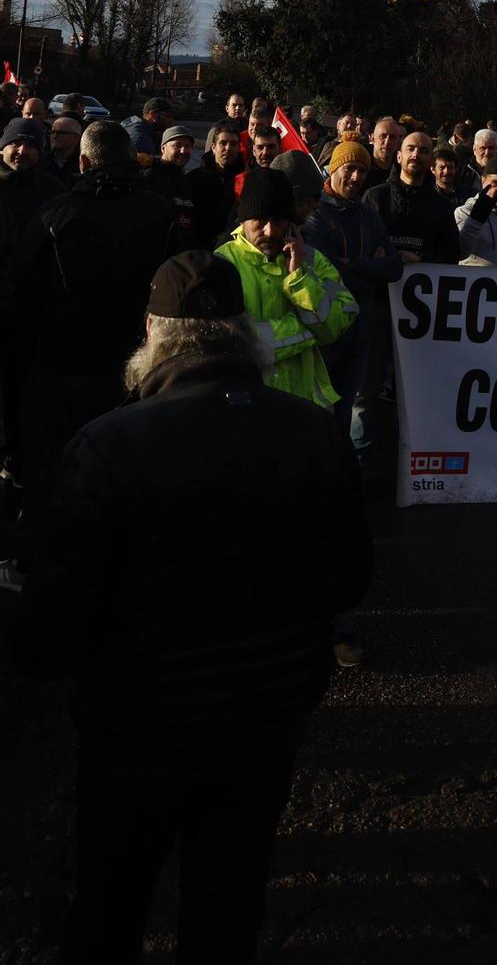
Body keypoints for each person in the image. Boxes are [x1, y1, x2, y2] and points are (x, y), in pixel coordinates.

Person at [14, 249, 372, 963]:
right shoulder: (313, 432)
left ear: (153, 331)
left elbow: (54, 624)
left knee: (111, 905)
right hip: (265, 721)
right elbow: (349, 578)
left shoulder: (108, 444)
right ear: (242, 331)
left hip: (139, 728)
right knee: (228, 904)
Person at [3, 121, 176, 594]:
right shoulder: (159, 212)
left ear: (82, 162)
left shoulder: (55, 215)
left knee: (51, 478)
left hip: (58, 368)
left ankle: (45, 580)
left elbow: (20, 287)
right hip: (132, 368)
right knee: (122, 473)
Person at [217, 172, 358, 408]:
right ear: (243, 219)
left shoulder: (312, 260)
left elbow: (338, 323)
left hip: (303, 406)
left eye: (279, 221)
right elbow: (237, 344)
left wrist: (299, 277)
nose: (271, 231)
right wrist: (308, 329)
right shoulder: (221, 265)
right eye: (260, 221)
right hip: (247, 406)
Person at [304, 142, 404, 466]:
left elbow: (393, 267)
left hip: (365, 324)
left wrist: (354, 264)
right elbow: (326, 269)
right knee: (323, 403)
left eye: (362, 170)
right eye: (350, 168)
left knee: (361, 401)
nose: (356, 177)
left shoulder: (367, 214)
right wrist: (367, 266)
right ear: (334, 169)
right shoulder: (315, 213)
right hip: (328, 326)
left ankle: (354, 473)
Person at [364, 128, 461, 264]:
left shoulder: (441, 206)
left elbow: (451, 255)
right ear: (399, 156)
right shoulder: (375, 196)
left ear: (431, 161)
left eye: (423, 151)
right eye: (410, 149)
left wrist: (421, 259)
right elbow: (359, 245)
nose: (415, 155)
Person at [0, 117, 65, 229]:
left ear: (39, 153)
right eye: (16, 143)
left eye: (30, 145)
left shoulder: (54, 190)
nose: (22, 151)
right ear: (2, 149)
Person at [142, 124, 199, 248]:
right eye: (177, 145)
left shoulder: (187, 181)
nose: (183, 150)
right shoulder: (148, 177)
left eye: (187, 146)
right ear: (163, 148)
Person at [191, 120, 242, 248]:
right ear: (213, 147)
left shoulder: (245, 180)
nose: (228, 148)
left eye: (233, 144)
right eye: (223, 143)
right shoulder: (194, 179)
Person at [233, 125, 282, 197]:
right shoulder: (240, 182)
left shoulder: (288, 181)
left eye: (271, 147)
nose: (265, 152)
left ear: (280, 149)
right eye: (260, 147)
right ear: (254, 150)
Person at [124, 96, 174, 163]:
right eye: (168, 116)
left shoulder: (137, 125)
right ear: (153, 115)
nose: (171, 120)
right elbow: (146, 167)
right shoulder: (140, 137)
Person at [364, 116, 404, 192]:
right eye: (383, 136)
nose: (387, 142)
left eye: (392, 137)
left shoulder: (402, 171)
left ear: (399, 142)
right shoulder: (359, 166)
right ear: (372, 139)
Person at [45, 116, 82, 182]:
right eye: (52, 132)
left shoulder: (83, 163)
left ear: (76, 138)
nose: (55, 136)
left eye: (61, 133)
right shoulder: (40, 161)